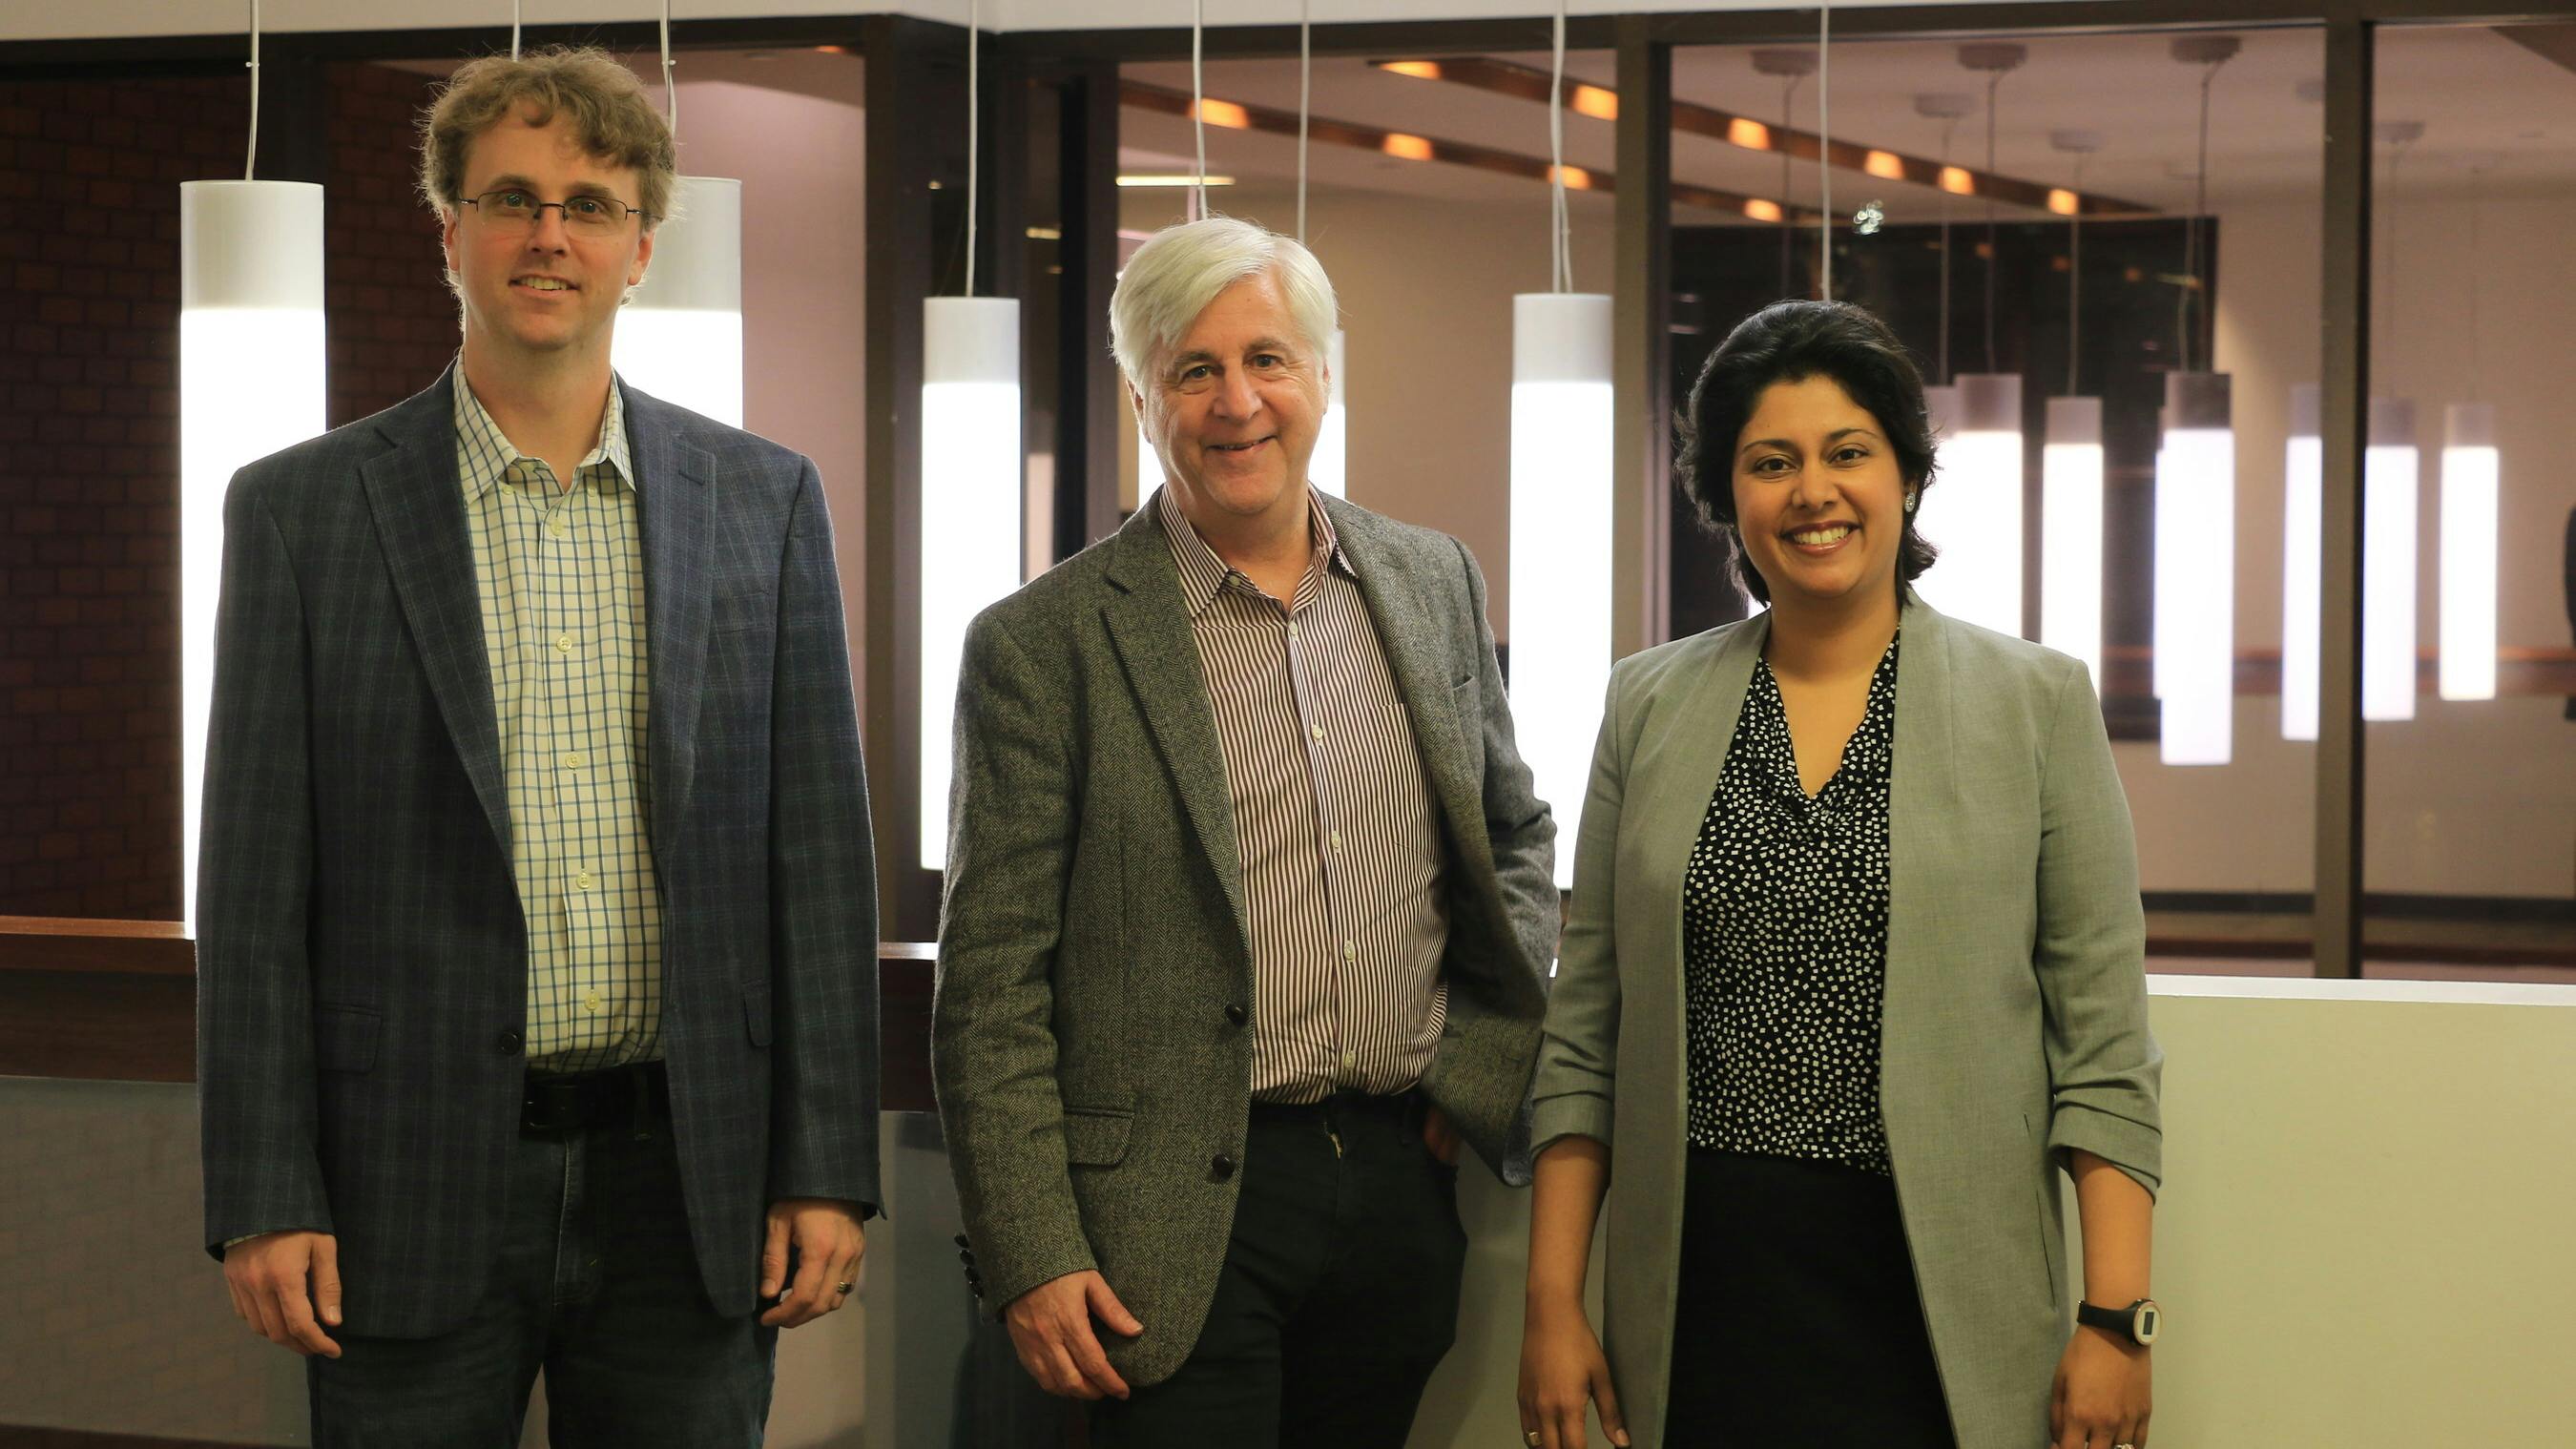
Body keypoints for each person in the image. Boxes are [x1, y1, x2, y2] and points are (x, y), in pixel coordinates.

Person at [197, 46, 880, 1446]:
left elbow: (817, 863)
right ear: (450, 231)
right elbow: (255, 892)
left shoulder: (767, 501)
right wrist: (266, 1186)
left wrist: (826, 1166)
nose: (549, 233)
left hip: (686, 1186)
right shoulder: (302, 513)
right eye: (511, 197)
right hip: (406, 1184)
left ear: (641, 244)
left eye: (588, 201)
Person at [932, 214, 1558, 1447]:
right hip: (1153, 1221)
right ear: (1141, 394)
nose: (1237, 402)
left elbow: (1515, 840)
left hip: (1392, 1181)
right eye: (1193, 369)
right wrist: (1031, 1249)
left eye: (1268, 358)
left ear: (1325, 373)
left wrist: (1477, 1067)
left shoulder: (1434, 581)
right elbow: (990, 980)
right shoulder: (1041, 642)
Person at [1517, 300, 2164, 1449]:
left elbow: (2102, 1041)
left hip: (1941, 1293)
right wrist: (1552, 1305)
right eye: (1772, 463)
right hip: (1702, 1289)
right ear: (1729, 496)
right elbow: (1587, 1034)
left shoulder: (2036, 702)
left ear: (1906, 474)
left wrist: (2114, 1321)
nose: (1813, 491)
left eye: (1847, 452)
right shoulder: (1646, 703)